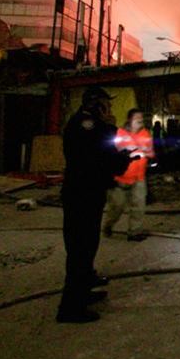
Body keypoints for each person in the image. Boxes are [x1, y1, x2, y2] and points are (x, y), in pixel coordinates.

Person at [58, 86, 131, 323]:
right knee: (80, 249)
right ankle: (71, 308)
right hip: (82, 195)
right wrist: (113, 130)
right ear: (96, 105)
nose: (109, 109)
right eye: (106, 105)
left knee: (86, 246)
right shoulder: (89, 126)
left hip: (86, 193)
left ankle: (83, 290)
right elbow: (110, 157)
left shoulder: (84, 124)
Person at [102, 108, 155, 242]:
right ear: (129, 119)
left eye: (141, 118)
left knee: (138, 206)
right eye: (137, 118)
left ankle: (134, 232)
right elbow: (116, 152)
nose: (140, 120)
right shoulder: (119, 133)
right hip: (121, 177)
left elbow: (150, 152)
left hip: (139, 177)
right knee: (117, 207)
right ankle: (108, 225)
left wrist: (149, 155)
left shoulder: (145, 134)